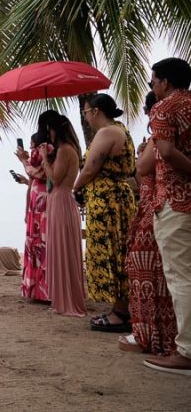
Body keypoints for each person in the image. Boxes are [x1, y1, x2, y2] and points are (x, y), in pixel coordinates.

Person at [144, 57, 191, 375]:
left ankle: (186, 351)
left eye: (152, 82)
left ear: (164, 82)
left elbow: (168, 152)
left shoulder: (163, 108)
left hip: (175, 200)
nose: (152, 88)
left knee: (181, 277)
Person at [73, 94, 136, 332]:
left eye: (86, 113)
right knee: (118, 250)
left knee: (111, 251)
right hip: (115, 197)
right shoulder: (120, 130)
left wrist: (76, 188)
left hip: (107, 200)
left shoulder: (107, 133)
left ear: (96, 111)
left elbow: (90, 168)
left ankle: (120, 312)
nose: (86, 117)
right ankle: (120, 308)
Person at [120, 92, 176, 355]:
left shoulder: (160, 137)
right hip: (163, 204)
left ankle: (149, 332)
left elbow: (142, 169)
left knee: (145, 270)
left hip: (155, 206)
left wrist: (142, 154)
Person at [40, 113, 85, 316]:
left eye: (49, 129)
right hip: (61, 200)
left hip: (61, 199)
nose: (48, 134)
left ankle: (65, 300)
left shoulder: (65, 150)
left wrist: (44, 160)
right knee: (61, 248)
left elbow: (56, 178)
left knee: (62, 249)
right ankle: (61, 298)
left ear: (55, 130)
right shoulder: (69, 149)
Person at [16, 133, 49, 301]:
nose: (30, 149)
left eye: (32, 146)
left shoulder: (46, 156)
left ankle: (43, 289)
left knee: (42, 246)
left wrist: (23, 161)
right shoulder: (37, 160)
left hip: (43, 205)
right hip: (36, 205)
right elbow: (33, 178)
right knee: (35, 245)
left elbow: (39, 174)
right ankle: (36, 288)